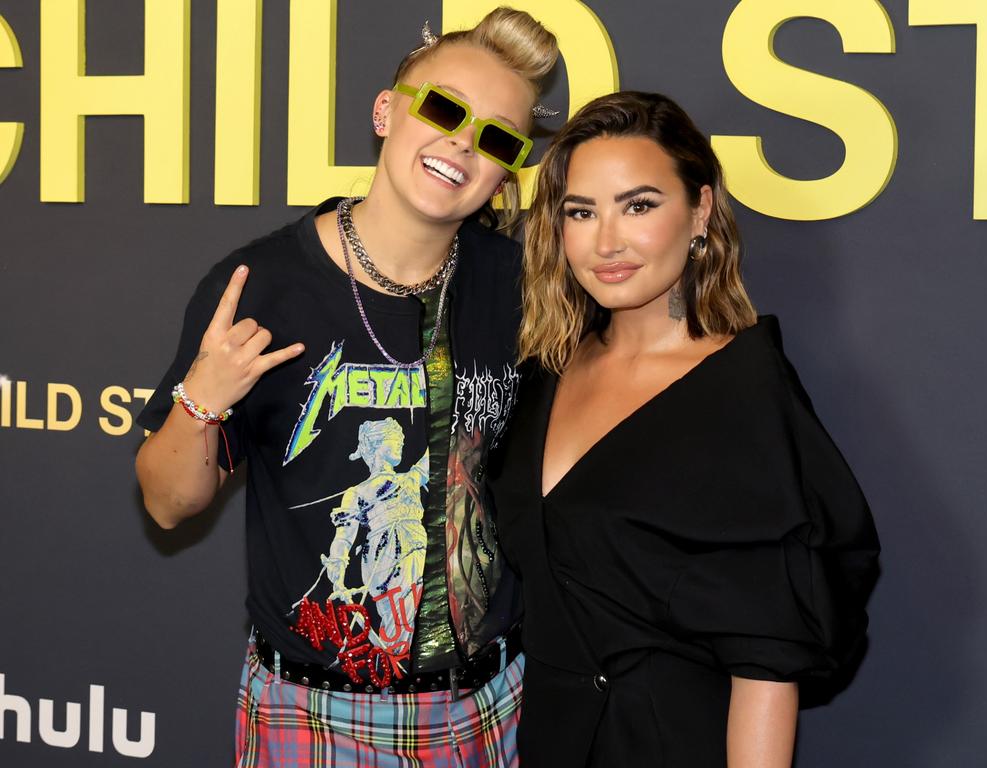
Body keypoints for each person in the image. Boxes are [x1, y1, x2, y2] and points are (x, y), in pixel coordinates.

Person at [135, 9, 559, 766]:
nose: (463, 143)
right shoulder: (266, 285)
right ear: (386, 110)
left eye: (497, 137)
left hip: (496, 707)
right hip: (316, 714)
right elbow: (168, 504)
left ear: (507, 169)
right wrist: (203, 396)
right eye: (443, 109)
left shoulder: (520, 286)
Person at [488, 91, 881, 767]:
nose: (606, 241)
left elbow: (767, 660)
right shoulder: (544, 372)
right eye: (582, 212)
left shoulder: (740, 389)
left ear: (699, 212)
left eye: (639, 205)